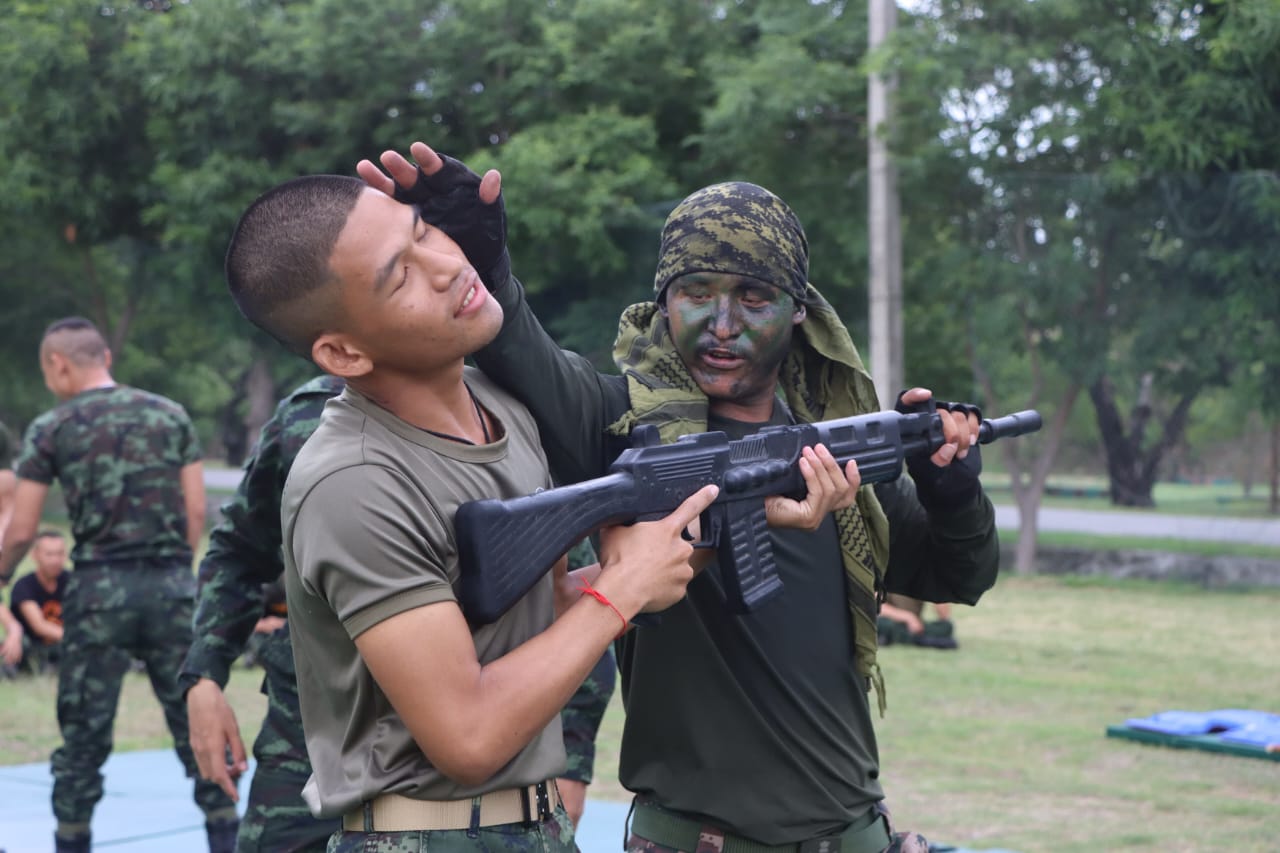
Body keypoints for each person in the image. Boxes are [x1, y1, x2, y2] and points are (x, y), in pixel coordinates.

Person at [359, 143, 1001, 852]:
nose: (722, 324)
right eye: (697, 293)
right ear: (663, 303)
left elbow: (959, 575)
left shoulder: (828, 458)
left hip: (852, 835)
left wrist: (951, 486)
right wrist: (488, 265)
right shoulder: (622, 426)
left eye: (753, 297)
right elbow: (522, 353)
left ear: (798, 313)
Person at [223, 173, 722, 852]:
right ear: (343, 352)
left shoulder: (502, 408)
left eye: (423, 231)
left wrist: (708, 525)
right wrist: (619, 590)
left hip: (533, 827)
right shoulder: (354, 481)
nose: (448, 265)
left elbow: (528, 620)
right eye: (399, 276)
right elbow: (468, 735)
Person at [182, 374, 615, 852]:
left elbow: (556, 602)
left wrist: (572, 761)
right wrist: (204, 676)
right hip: (308, 748)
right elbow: (239, 551)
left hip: (466, 778)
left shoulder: (494, 418)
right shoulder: (304, 420)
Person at [0, 317, 239, 853]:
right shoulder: (171, 414)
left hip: (96, 597)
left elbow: (21, 530)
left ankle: (73, 839)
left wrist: (0, 574)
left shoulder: (51, 428)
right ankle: (225, 833)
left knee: (83, 740)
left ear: (58, 365)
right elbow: (196, 508)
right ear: (105, 356)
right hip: (172, 590)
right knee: (195, 725)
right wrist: (176, 568)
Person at [8, 529, 70, 673]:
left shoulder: (72, 581)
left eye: (60, 554)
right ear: (34, 555)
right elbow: (39, 626)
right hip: (33, 648)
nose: (55, 560)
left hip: (64, 647)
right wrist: (77, 638)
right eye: (49, 554)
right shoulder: (24, 585)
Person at [877, 593, 958, 650]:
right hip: (891, 621)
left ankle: (915, 639)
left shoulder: (923, 575)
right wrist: (908, 617)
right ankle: (923, 640)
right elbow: (876, 605)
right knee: (882, 624)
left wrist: (939, 588)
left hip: (916, 626)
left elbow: (944, 617)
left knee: (947, 626)